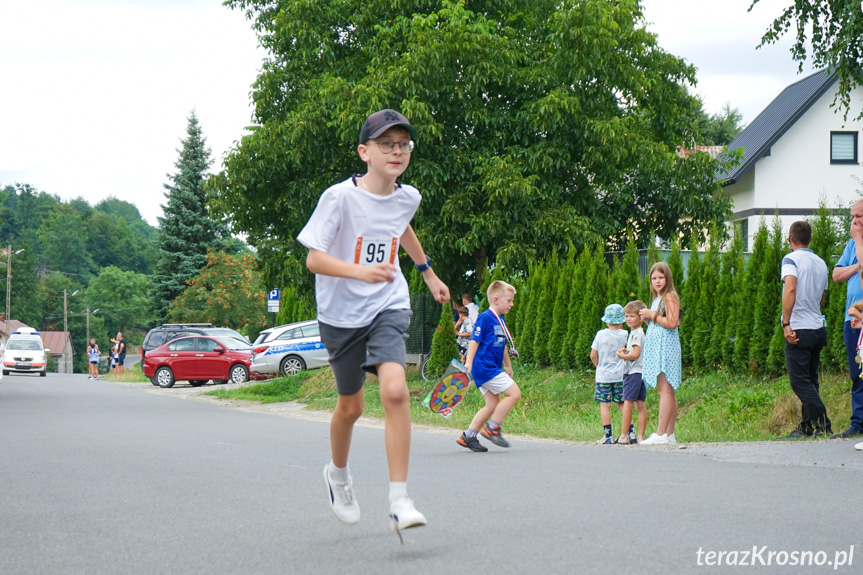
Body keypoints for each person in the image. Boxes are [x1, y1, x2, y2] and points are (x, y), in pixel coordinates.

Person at [296, 109, 449, 536]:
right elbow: (314, 257)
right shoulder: (339, 198)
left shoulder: (408, 196)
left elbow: (401, 227)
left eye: (404, 145)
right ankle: (338, 475)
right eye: (387, 144)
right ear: (365, 152)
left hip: (388, 302)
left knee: (396, 391)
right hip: (341, 315)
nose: (397, 151)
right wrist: (360, 271)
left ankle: (399, 498)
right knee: (352, 407)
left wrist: (428, 273)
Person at [779, 220, 831, 438]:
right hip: (817, 327)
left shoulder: (790, 259)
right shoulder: (821, 263)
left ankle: (822, 424)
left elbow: (790, 287)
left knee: (800, 381)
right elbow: (821, 297)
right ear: (811, 239)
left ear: (789, 239)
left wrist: (786, 323)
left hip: (798, 327)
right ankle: (807, 427)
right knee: (811, 379)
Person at [457, 280, 522, 452]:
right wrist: (469, 362)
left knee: (492, 404)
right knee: (514, 394)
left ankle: (468, 436)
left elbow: (503, 345)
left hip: (490, 367)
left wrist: (508, 366)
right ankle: (493, 427)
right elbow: (474, 341)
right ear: (495, 299)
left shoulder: (500, 320)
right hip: (484, 367)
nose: (512, 304)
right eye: (509, 301)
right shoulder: (485, 318)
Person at [830, 199, 863, 439]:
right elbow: (836, 274)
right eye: (852, 217)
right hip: (851, 317)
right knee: (856, 371)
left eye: (859, 217)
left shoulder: (858, 241)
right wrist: (857, 265)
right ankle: (858, 422)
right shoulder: (852, 244)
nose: (854, 222)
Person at [639, 262, 682, 445]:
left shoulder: (669, 297)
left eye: (661, 277)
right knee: (668, 391)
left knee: (665, 390)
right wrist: (649, 319)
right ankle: (669, 434)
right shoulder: (658, 299)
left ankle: (661, 434)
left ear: (667, 278)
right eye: (654, 278)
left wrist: (652, 314)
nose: (657, 281)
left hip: (665, 349)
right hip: (660, 347)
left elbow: (672, 323)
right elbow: (660, 323)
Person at [590, 303, 628, 444]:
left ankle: (607, 436)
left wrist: (598, 366)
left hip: (603, 375)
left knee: (605, 405)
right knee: (623, 404)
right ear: (622, 320)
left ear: (606, 320)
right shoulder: (625, 334)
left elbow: (593, 355)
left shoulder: (601, 334)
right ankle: (630, 433)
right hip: (621, 375)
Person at [616, 300, 647, 444]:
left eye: (631, 316)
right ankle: (640, 437)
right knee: (640, 404)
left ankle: (623, 436)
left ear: (640, 317)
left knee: (628, 403)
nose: (628, 319)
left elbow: (635, 354)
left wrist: (622, 356)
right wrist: (626, 351)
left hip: (632, 372)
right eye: (626, 316)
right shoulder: (637, 332)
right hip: (641, 371)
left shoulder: (636, 334)